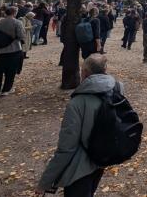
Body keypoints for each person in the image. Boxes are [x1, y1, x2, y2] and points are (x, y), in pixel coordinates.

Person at [36, 54, 120, 196]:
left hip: (80, 168)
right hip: (103, 157)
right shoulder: (116, 88)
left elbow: (66, 148)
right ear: (105, 70)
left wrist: (45, 181)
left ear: (84, 73)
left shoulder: (77, 103)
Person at [0, 6, 25, 97]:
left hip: (0, 50)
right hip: (14, 49)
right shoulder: (18, 22)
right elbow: (21, 36)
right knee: (11, 71)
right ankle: (6, 89)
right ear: (15, 13)